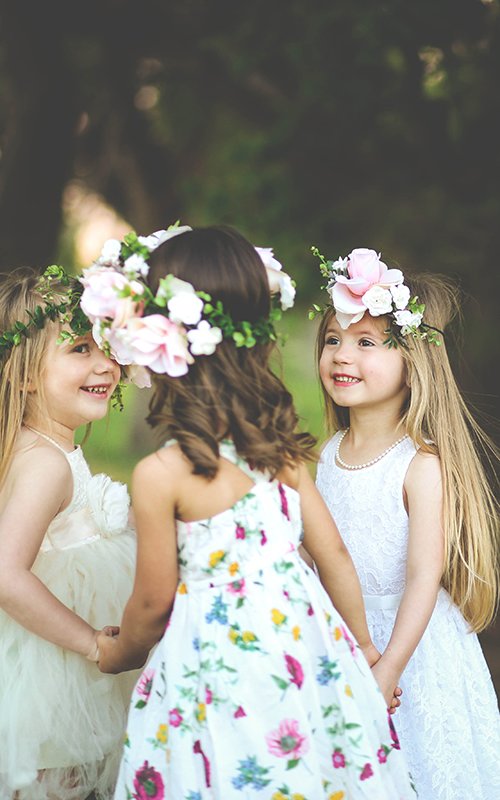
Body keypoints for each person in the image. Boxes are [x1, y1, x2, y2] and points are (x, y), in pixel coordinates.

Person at [93, 224, 416, 799]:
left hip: (214, 672)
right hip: (300, 654)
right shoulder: (279, 450)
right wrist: (364, 649)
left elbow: (151, 602)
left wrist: (120, 651)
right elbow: (333, 553)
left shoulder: (161, 475)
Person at [312, 246, 500, 799]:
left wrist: (390, 667)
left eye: (366, 342)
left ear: (411, 360)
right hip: (349, 642)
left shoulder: (419, 464)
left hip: (412, 653)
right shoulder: (328, 455)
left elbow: (423, 577)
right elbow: (321, 554)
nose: (342, 355)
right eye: (333, 340)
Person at [0, 266, 139, 800]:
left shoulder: (43, 448)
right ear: (26, 374)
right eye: (80, 348)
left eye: (108, 346)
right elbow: (8, 575)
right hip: (55, 675)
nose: (106, 363)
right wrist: (90, 645)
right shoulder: (45, 464)